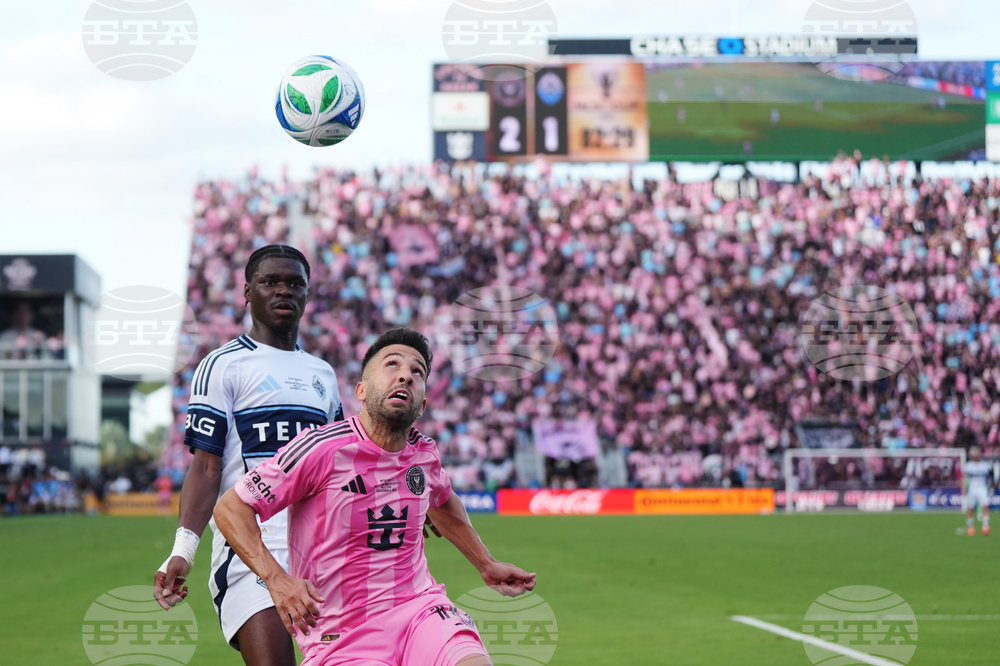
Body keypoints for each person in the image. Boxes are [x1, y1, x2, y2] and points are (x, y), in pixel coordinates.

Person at [213, 328, 535, 666]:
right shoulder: (320, 449)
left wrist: (484, 562)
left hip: (419, 610)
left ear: (423, 404)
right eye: (392, 365)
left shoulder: (423, 455)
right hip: (343, 632)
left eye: (417, 372)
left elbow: (444, 501)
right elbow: (232, 508)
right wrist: (276, 580)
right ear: (362, 391)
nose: (405, 376)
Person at [154, 245, 344, 666]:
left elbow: (339, 465)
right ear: (247, 292)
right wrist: (182, 550)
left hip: (321, 549)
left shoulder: (322, 375)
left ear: (307, 294)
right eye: (270, 282)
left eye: (295, 283)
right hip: (252, 551)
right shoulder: (222, 366)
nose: (283, 291)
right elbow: (206, 465)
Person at [963, 446, 993, 536]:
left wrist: (991, 488)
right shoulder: (968, 466)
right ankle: (970, 527)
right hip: (972, 489)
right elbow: (964, 478)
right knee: (971, 508)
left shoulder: (985, 465)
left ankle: (985, 526)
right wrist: (964, 489)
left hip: (982, 488)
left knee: (985, 506)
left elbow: (990, 478)